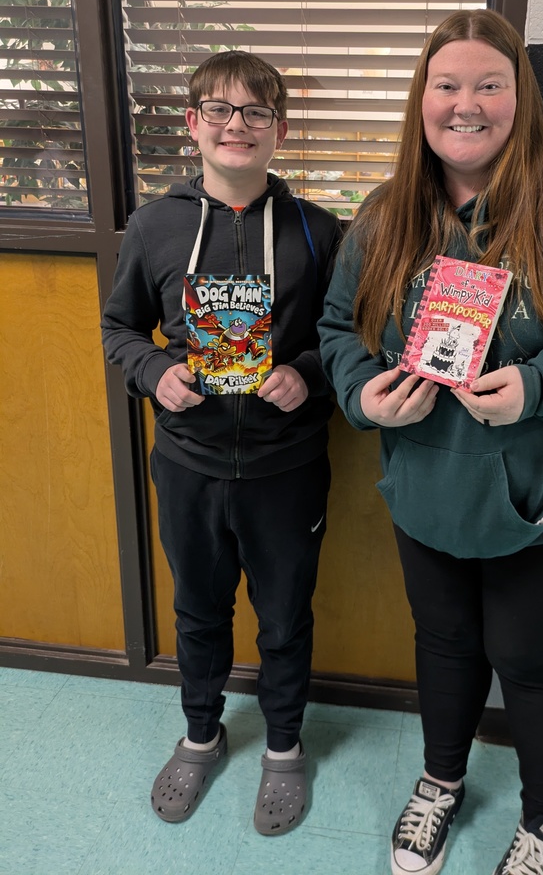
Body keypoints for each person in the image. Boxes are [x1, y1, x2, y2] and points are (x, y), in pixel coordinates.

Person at [319, 10, 543, 875]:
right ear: (420, 100)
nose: (466, 104)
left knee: (529, 656)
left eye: (489, 84)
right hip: (429, 485)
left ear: (520, 98)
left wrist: (542, 386)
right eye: (445, 85)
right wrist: (362, 393)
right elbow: (339, 326)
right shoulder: (386, 212)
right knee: (443, 643)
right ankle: (440, 782)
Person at [102, 50, 342, 832]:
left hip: (287, 467)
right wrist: (152, 373)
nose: (237, 126)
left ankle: (282, 751)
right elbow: (117, 329)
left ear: (279, 130)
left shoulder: (318, 229)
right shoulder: (155, 224)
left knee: (283, 617)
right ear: (193, 124)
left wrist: (306, 372)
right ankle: (200, 735)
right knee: (198, 612)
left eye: (256, 112)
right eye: (220, 110)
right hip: (189, 463)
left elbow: (348, 340)